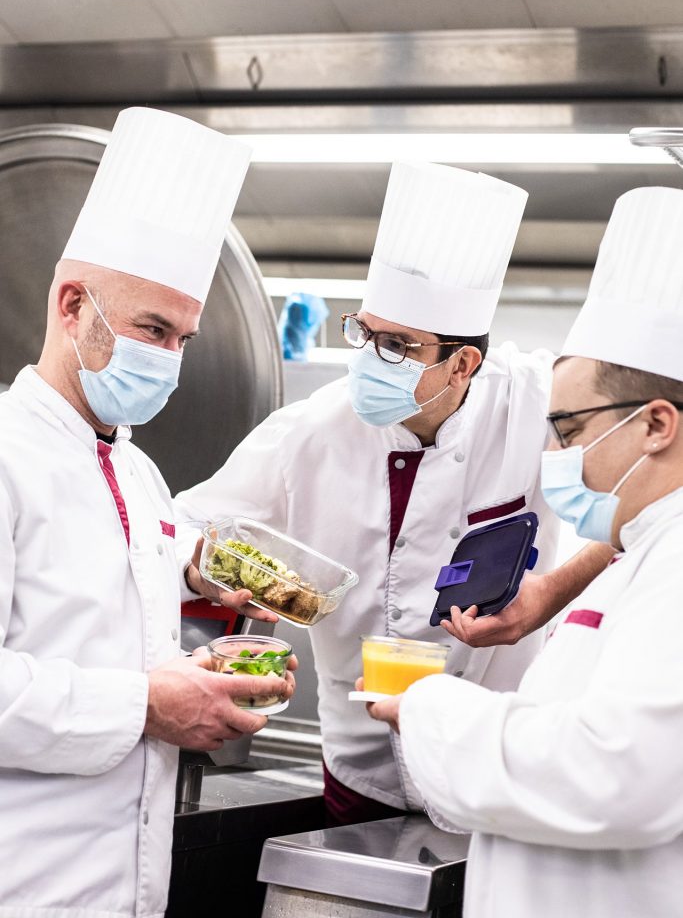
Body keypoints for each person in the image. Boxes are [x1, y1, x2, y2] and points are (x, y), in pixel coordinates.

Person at [175, 160, 612, 824]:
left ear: (463, 363)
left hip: (491, 755)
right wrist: (205, 574)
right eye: (365, 334)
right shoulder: (311, 431)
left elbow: (648, 509)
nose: (368, 360)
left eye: (398, 346)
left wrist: (550, 591)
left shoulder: (538, 402)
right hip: (359, 767)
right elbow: (180, 527)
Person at [0, 107, 294, 918]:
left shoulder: (133, 467)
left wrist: (203, 565)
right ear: (71, 305)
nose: (166, 361)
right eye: (150, 329)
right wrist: (149, 704)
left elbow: (134, 555)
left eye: (183, 340)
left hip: (122, 885)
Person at [368, 185, 683, 917]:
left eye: (569, 430)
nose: (555, 456)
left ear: (656, 425)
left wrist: (430, 706)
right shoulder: (639, 551)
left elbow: (613, 775)